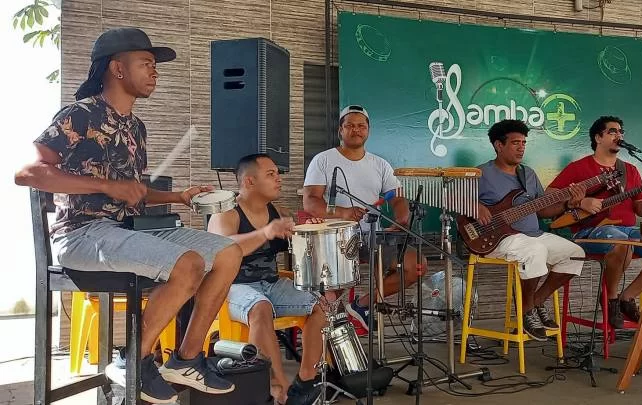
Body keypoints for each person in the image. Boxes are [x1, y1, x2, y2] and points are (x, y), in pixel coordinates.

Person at [14, 28, 239, 403]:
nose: (155, 72)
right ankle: (133, 359)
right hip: (81, 235)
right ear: (118, 68)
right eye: (146, 63)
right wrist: (104, 185)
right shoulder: (80, 114)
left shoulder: (136, 127)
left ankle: (186, 359)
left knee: (229, 253)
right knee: (189, 265)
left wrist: (178, 196)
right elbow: (28, 174)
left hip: (127, 231)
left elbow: (133, 191)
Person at [207, 154, 328, 405]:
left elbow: (298, 238)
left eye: (277, 173)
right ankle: (277, 386)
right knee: (261, 308)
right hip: (232, 287)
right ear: (250, 181)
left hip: (271, 284)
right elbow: (222, 249)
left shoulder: (277, 211)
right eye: (271, 174)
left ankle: (305, 382)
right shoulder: (226, 212)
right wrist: (266, 232)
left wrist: (308, 228)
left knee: (322, 305)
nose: (279, 179)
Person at [302, 105, 424, 331]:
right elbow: (310, 201)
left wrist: (401, 218)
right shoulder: (323, 160)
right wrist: (344, 213)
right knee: (332, 290)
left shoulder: (380, 164)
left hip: (372, 237)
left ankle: (363, 304)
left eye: (361, 126)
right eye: (349, 125)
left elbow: (397, 197)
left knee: (415, 265)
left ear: (368, 130)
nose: (356, 130)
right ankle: (326, 338)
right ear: (340, 130)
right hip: (336, 239)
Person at [476, 119, 586, 341]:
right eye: (516, 142)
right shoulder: (480, 173)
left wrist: (568, 204)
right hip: (497, 238)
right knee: (534, 250)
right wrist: (474, 206)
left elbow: (543, 211)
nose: (521, 147)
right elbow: (450, 198)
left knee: (575, 253)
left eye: (524, 143)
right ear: (499, 145)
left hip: (532, 235)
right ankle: (526, 312)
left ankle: (536, 301)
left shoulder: (528, 175)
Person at [548, 116, 642, 329]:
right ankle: (611, 299)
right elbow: (550, 195)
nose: (619, 135)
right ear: (598, 137)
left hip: (627, 230)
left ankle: (626, 297)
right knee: (620, 241)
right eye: (612, 131)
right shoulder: (579, 168)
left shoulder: (630, 170)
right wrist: (582, 201)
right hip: (590, 232)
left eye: (621, 131)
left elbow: (640, 209)